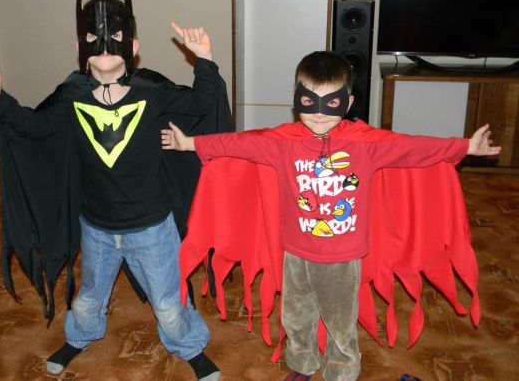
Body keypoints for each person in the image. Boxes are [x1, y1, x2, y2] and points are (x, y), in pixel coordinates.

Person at [161, 51, 501, 381]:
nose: (320, 113)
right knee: (297, 315)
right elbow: (239, 144)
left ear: (348, 103)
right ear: (296, 100)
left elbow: (413, 147)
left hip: (342, 256)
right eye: (310, 101)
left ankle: (342, 370)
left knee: (340, 321)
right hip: (295, 252)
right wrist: (190, 143)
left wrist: (465, 147)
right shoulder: (282, 143)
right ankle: (302, 362)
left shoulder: (365, 144)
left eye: (331, 102)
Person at [0, 0, 228, 380]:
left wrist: (204, 59)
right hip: (97, 227)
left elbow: (201, 104)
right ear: (80, 47)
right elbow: (34, 127)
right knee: (89, 297)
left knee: (167, 302)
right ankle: (81, 336)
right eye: (93, 37)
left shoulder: (152, 92)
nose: (105, 45)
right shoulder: (71, 96)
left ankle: (189, 346)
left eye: (116, 37)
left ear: (133, 47)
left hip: (152, 226)